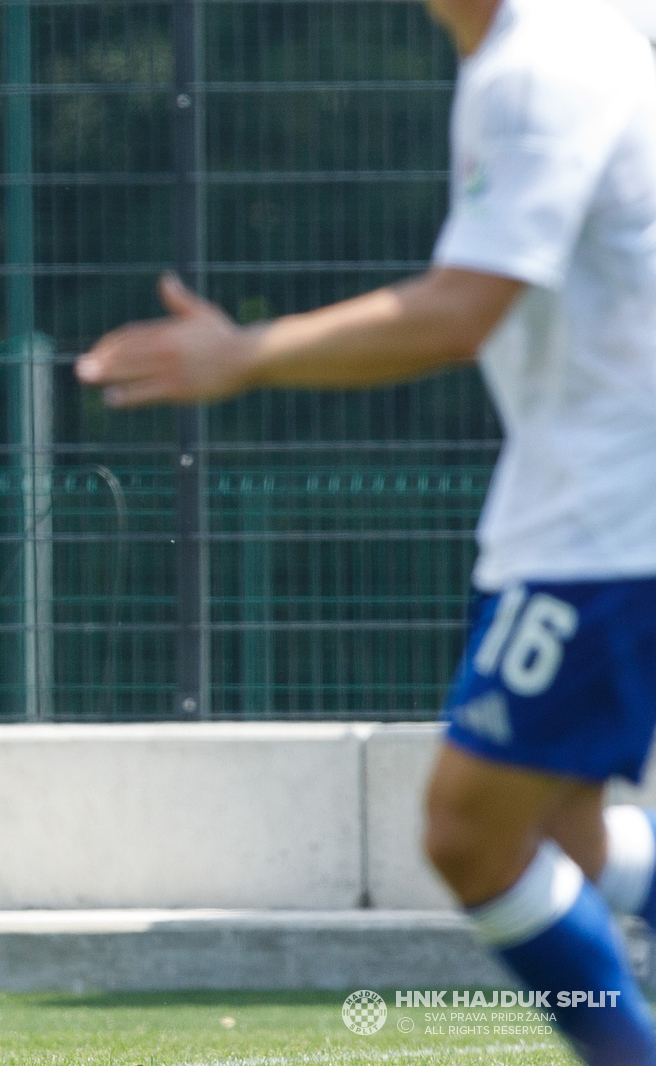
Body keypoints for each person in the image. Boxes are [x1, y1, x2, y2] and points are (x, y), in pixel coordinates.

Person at [75, 0, 656, 1062]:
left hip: (608, 520)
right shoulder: (564, 44)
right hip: (578, 498)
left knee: (467, 828)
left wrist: (247, 353)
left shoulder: (541, 68)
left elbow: (458, 310)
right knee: (562, 831)